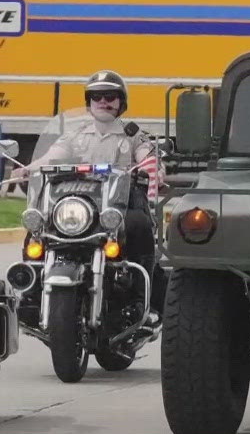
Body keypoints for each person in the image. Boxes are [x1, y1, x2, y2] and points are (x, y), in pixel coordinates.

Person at [29, 70, 162, 314]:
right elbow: (52, 157)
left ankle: (141, 295)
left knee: (140, 224)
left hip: (119, 205)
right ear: (88, 103)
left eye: (110, 96)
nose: (103, 101)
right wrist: (26, 169)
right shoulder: (74, 134)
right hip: (77, 205)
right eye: (96, 97)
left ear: (121, 102)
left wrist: (152, 169)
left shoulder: (133, 135)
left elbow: (147, 158)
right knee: (37, 229)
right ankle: (31, 292)